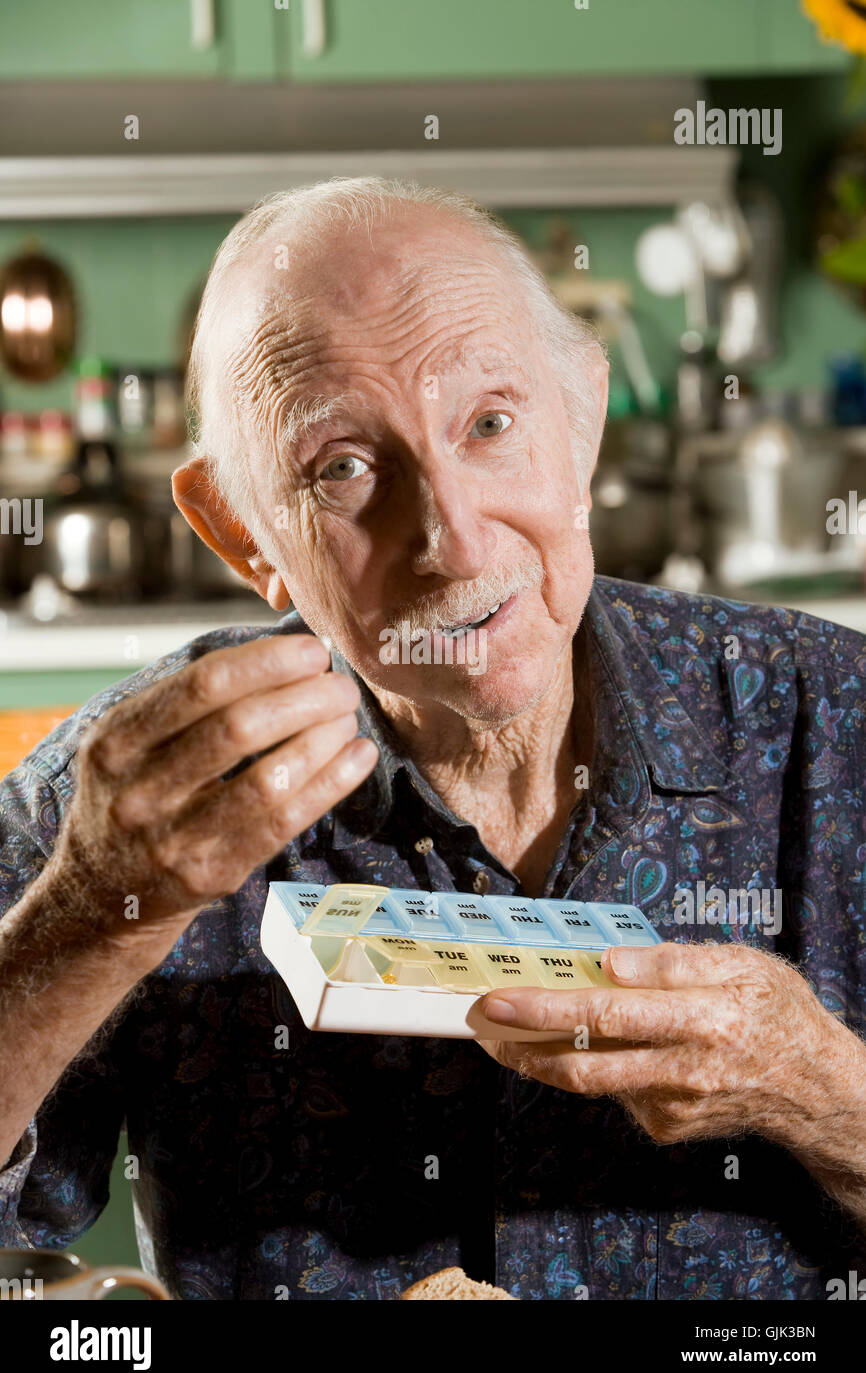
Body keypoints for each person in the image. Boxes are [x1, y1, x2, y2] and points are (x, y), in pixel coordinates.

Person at [1, 178, 865, 1300]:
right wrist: (86, 916)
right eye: (344, 469)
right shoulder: (133, 797)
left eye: (490, 424)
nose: (453, 540)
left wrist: (813, 1082)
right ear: (238, 529)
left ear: (582, 420)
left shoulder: (830, 716)